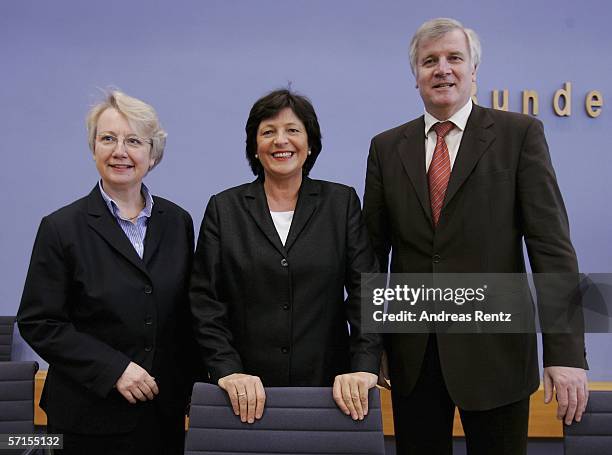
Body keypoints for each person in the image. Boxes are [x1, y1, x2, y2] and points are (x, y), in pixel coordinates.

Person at [363, 18, 588, 455]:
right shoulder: (387, 147)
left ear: (474, 71)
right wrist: (370, 346)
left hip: (497, 355)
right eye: (429, 61)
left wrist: (564, 352)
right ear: (416, 76)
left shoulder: (519, 135)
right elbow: (371, 257)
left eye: (453, 58)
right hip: (414, 359)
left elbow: (551, 249)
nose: (442, 69)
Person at [18, 91, 195, 454]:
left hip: (163, 415)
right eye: (108, 139)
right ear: (94, 148)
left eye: (133, 141)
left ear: (152, 153)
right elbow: (40, 323)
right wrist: (114, 369)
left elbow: (186, 314)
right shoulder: (60, 227)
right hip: (88, 417)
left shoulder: (178, 222)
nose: (120, 151)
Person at [190, 89, 381, 424]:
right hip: (243, 394)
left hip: (330, 392)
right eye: (268, 132)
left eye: (293, 130)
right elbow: (205, 299)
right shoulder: (224, 209)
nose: (281, 141)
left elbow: (368, 289)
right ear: (254, 145)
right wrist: (227, 370)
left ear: (310, 144)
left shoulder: (341, 203)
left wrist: (364, 367)